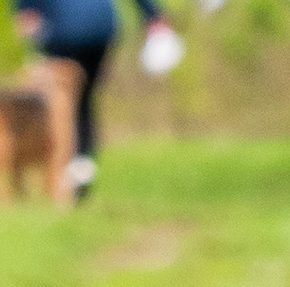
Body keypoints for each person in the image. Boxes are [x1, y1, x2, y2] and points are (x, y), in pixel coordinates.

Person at [12, 0, 179, 199]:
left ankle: (61, 175)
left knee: (61, 106)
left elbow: (26, 17)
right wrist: (153, 15)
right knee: (85, 101)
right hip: (103, 29)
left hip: (62, 32)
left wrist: (25, 14)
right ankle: (81, 169)